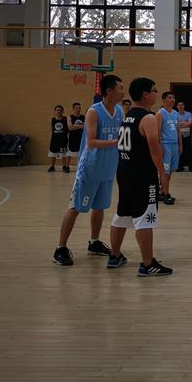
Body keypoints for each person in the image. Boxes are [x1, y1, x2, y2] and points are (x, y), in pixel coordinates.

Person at [52, 75, 124, 267]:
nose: (123, 91)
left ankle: (94, 242)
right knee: (76, 207)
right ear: (109, 90)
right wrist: (117, 142)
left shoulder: (119, 111)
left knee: (99, 207)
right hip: (90, 168)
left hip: (108, 168)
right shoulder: (94, 111)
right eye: (120, 88)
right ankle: (60, 247)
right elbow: (91, 142)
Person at [109, 77, 172, 276]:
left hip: (124, 170)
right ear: (145, 94)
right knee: (145, 217)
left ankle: (115, 256)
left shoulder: (127, 116)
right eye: (154, 90)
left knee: (122, 214)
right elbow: (155, 150)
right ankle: (148, 264)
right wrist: (162, 174)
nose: (156, 93)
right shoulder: (149, 118)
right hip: (142, 174)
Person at [156, 92, 182, 205]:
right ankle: (166, 194)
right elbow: (157, 131)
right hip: (165, 144)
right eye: (170, 97)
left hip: (174, 145)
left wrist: (180, 144)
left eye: (173, 98)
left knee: (170, 171)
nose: (172, 99)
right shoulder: (160, 113)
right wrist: (159, 146)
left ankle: (162, 192)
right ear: (163, 100)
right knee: (165, 172)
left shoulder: (176, 113)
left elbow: (178, 130)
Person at [175, 101, 192, 173]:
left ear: (184, 106)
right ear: (177, 107)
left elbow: (190, 123)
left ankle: (191, 168)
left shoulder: (188, 114)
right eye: (179, 105)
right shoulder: (175, 114)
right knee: (179, 151)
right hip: (177, 135)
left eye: (182, 105)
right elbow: (175, 124)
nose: (181, 106)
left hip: (186, 134)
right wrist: (185, 122)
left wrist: (180, 123)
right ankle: (180, 167)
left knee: (188, 151)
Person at [48, 105, 69, 173]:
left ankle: (64, 166)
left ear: (63, 111)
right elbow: (52, 130)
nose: (59, 111)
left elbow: (68, 129)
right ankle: (52, 166)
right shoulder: (52, 120)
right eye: (57, 110)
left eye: (60, 110)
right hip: (54, 140)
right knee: (53, 154)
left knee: (63, 154)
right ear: (55, 111)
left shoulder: (66, 119)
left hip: (63, 139)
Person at [67, 102, 86, 169]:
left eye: (79, 108)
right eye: (77, 108)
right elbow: (70, 127)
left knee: (81, 153)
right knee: (69, 153)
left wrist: (75, 125)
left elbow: (85, 127)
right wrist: (80, 126)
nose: (78, 109)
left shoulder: (83, 117)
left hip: (81, 137)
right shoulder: (69, 117)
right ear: (73, 109)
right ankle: (67, 166)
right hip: (72, 138)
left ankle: (80, 166)